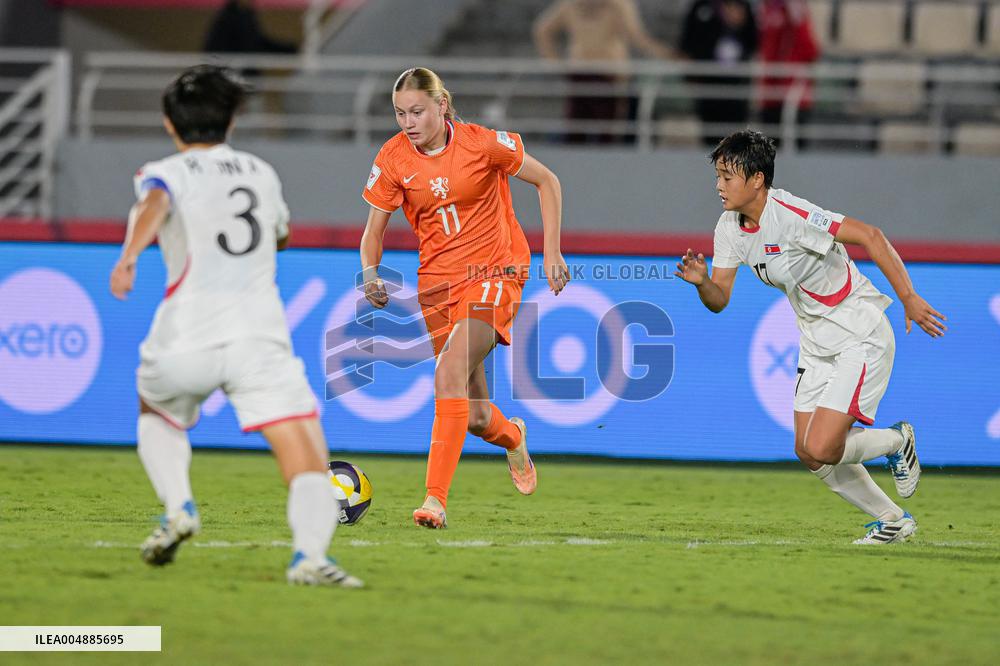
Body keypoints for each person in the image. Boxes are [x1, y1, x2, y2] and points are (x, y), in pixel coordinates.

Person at [109, 65, 361, 587]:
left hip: (185, 332)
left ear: (169, 124)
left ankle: (179, 506)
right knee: (306, 451)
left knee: (154, 407)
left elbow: (153, 203)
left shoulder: (167, 172)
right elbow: (282, 235)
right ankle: (310, 559)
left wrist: (130, 256)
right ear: (231, 121)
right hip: (258, 335)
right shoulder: (260, 172)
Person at [675, 130, 946, 544]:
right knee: (807, 450)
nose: (718, 185)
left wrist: (907, 297)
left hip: (859, 332)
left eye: (727, 176)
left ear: (757, 180)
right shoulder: (728, 228)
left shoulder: (793, 215)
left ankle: (897, 440)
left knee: (823, 446)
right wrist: (700, 283)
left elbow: (871, 235)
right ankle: (893, 520)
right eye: (718, 175)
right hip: (817, 344)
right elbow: (721, 299)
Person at [359, 67, 570, 529]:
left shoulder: (482, 143)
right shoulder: (393, 158)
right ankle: (513, 436)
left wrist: (552, 252)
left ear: (442, 106)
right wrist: (370, 272)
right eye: (399, 113)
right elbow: (374, 231)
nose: (408, 122)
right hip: (436, 284)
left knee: (448, 371)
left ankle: (435, 500)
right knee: (474, 416)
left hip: (495, 271)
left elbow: (547, 181)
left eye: (417, 111)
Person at [533, 0, 673, 143]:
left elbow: (542, 29)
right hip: (600, 73)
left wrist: (554, 62)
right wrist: (666, 53)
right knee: (594, 133)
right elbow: (636, 37)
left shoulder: (583, 4)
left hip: (593, 73)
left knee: (584, 133)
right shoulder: (614, 4)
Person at [678, 0, 758, 146]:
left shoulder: (743, 5)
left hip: (736, 87)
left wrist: (738, 24)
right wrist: (690, 76)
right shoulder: (700, 6)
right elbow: (686, 44)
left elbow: (754, 42)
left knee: (736, 141)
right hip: (708, 86)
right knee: (710, 140)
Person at [757, 0, 821, 146]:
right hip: (771, 93)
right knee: (769, 150)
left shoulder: (795, 10)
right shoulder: (768, 9)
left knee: (795, 145)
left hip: (793, 94)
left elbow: (810, 50)